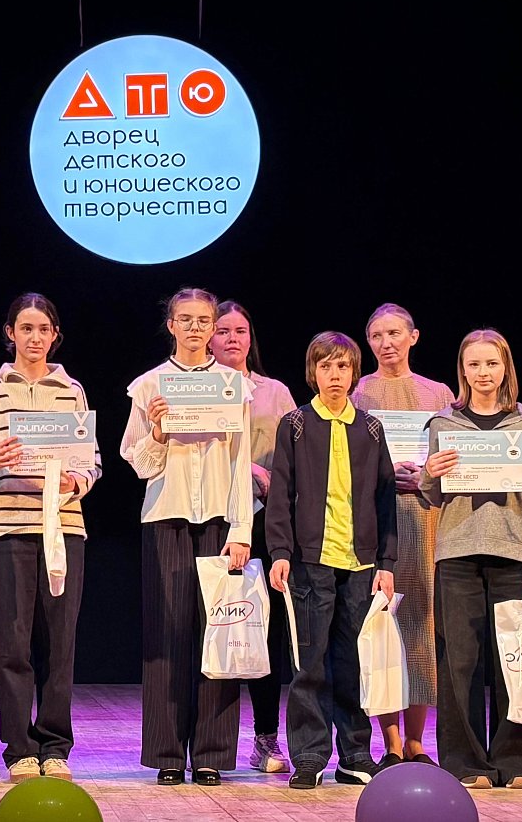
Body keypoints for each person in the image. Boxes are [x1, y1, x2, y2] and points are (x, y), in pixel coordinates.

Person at [0, 293, 101, 783]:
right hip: (4, 529)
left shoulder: (72, 391)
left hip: (62, 529)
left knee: (59, 644)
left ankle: (56, 746)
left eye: (44, 329)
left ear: (54, 335)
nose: (35, 337)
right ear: (11, 334)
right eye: (26, 328)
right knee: (12, 644)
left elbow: (92, 462)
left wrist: (75, 483)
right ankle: (20, 747)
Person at [119, 288, 254, 786]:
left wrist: (242, 529)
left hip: (220, 519)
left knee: (219, 633)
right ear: (171, 325)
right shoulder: (149, 386)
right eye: (186, 319)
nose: (195, 328)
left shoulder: (233, 386)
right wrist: (157, 433)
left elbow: (240, 461)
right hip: (166, 517)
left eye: (203, 320)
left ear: (214, 327)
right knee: (167, 635)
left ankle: (212, 753)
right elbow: (136, 462)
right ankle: (168, 753)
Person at [420, 329, 522, 790]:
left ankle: (518, 761)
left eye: (491, 364)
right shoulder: (444, 424)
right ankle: (466, 763)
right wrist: (429, 475)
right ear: (462, 370)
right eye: (474, 364)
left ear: (505, 368)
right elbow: (432, 496)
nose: (483, 373)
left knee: (516, 661)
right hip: (457, 555)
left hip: (514, 557)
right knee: (458, 662)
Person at [265, 331, 397, 790]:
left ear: (354, 372)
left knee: (353, 662)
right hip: (310, 560)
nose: (335, 375)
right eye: (326, 366)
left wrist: (386, 561)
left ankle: (355, 754)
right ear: (313, 372)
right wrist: (280, 552)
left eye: (343, 366)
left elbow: (385, 498)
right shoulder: (296, 424)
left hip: (360, 564)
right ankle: (309, 755)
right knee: (310, 662)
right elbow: (280, 493)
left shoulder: (370, 428)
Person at [352, 303, 455, 766]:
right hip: (377, 518)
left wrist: (428, 475)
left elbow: (454, 455)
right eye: (376, 336)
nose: (385, 343)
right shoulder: (358, 393)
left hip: (427, 518)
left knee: (420, 626)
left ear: (413, 336)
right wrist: (382, 472)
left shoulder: (438, 394)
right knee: (382, 626)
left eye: (394, 333)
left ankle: (416, 741)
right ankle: (390, 742)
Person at [209, 300, 297, 774]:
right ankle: (211, 741)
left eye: (240, 330)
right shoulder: (195, 389)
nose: (232, 339)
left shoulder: (274, 392)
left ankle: (265, 738)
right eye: (223, 331)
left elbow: (296, 459)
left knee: (264, 629)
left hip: (264, 521)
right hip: (211, 518)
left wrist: (265, 476)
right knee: (217, 626)